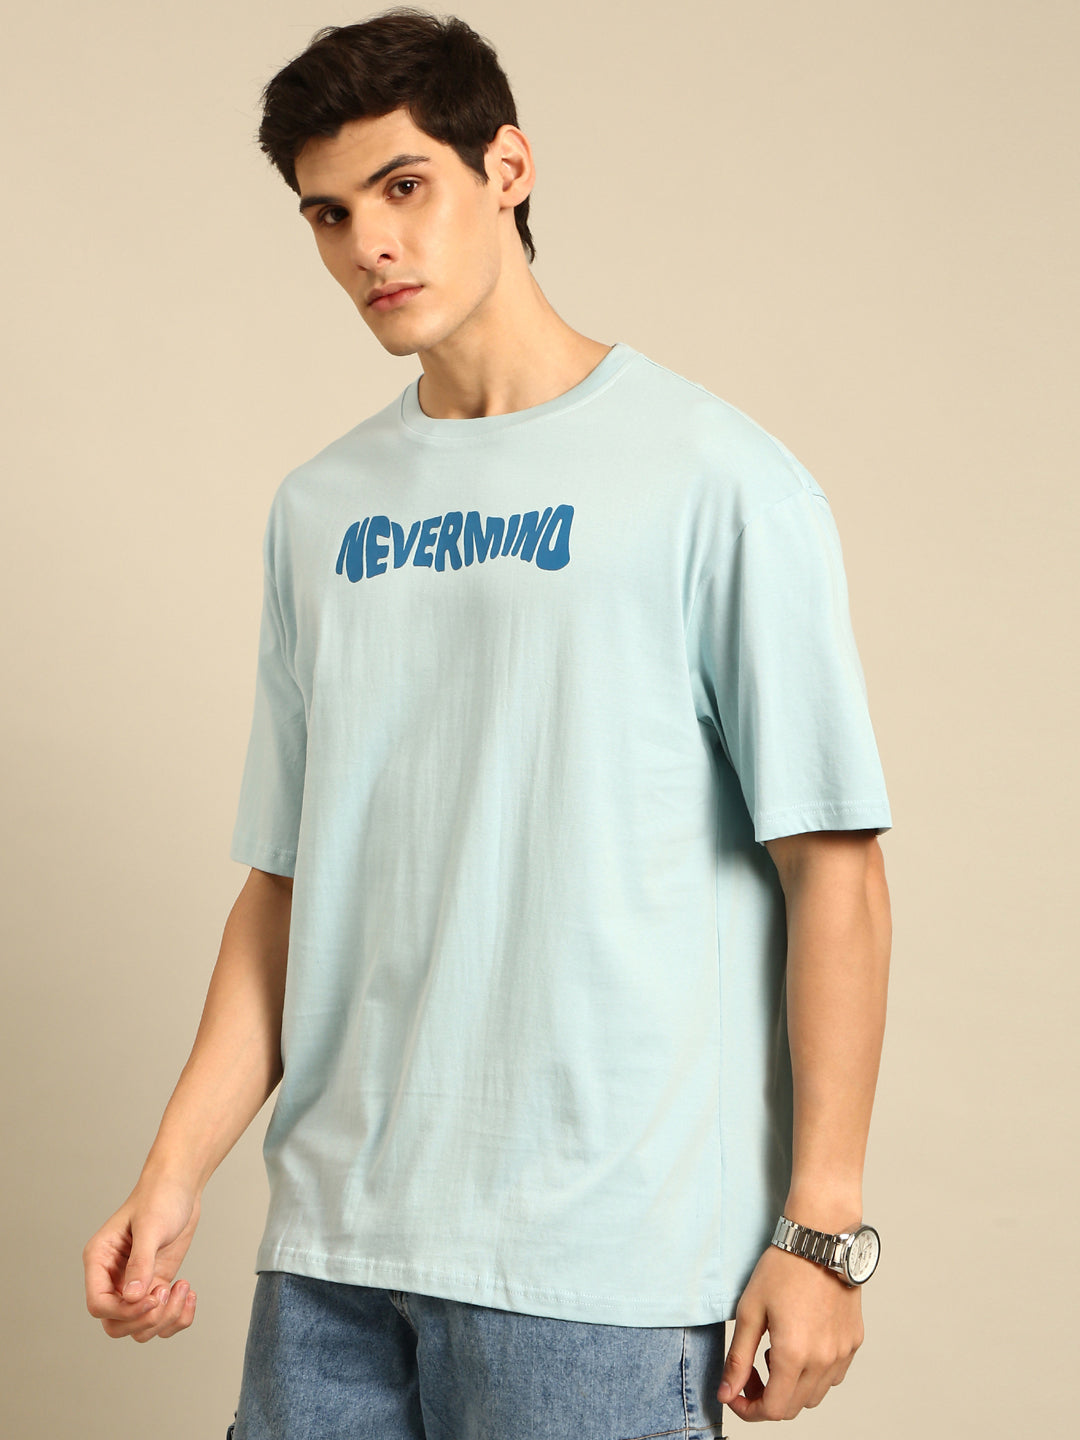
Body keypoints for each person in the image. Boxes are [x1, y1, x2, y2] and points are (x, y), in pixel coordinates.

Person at [82, 9, 894, 1435]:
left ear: (506, 168)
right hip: (330, 1261)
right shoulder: (319, 509)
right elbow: (287, 887)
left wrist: (820, 1230)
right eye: (328, 214)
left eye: (404, 187)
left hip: (593, 1267)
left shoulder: (713, 479)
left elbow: (833, 865)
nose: (369, 246)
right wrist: (173, 1172)